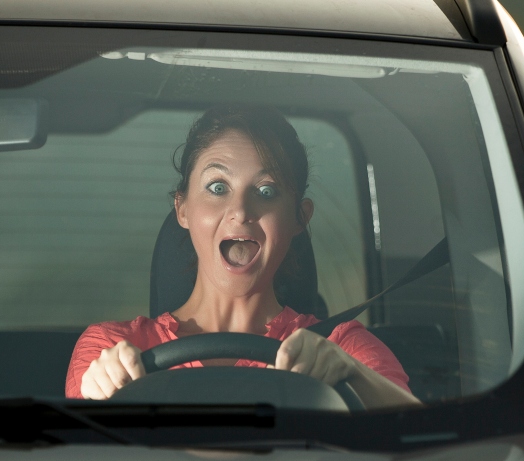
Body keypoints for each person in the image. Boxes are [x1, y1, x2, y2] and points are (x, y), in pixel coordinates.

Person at [65, 105, 419, 408]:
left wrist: (351, 373)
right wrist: (101, 392)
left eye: (266, 191)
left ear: (300, 217)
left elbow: (419, 438)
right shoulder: (110, 350)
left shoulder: (341, 348)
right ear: (182, 208)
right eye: (218, 187)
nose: (240, 211)